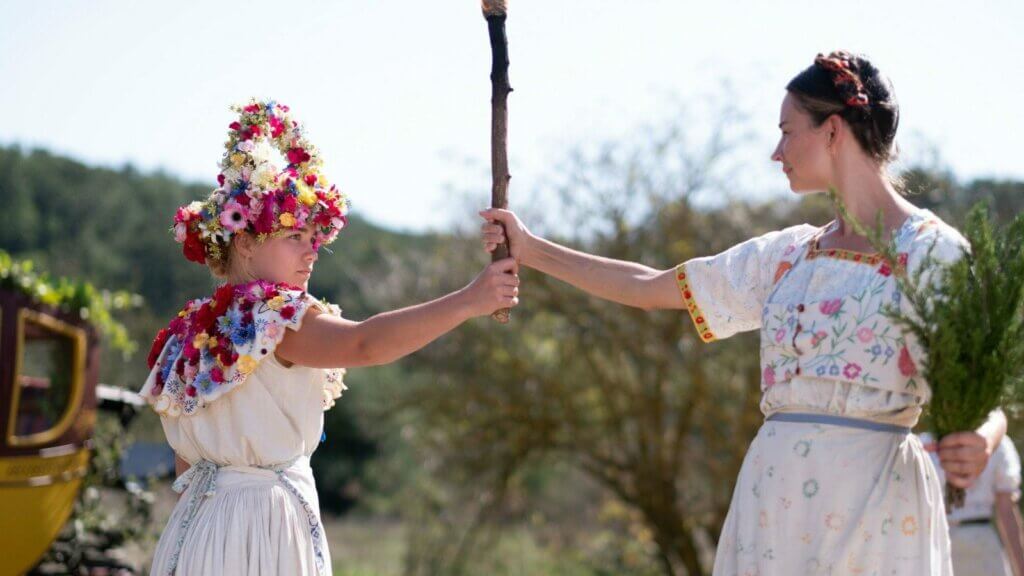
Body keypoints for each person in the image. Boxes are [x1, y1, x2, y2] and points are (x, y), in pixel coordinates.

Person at [480, 51, 1005, 574]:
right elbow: (650, 286)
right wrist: (531, 250)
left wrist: (983, 439)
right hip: (774, 504)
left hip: (877, 505)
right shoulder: (790, 256)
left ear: (832, 130)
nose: (776, 152)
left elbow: (984, 392)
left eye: (786, 130)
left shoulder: (932, 251)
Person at [140, 99, 519, 575]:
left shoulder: (188, 333)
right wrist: (470, 299)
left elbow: (184, 466)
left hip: (196, 530)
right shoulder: (272, 318)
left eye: (315, 240)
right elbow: (366, 343)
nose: (311, 253)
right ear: (245, 241)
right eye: (294, 237)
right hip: (263, 529)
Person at [921, 431, 1024, 576]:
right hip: (944, 541)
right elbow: (1006, 511)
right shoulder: (998, 443)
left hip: (955, 543)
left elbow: (1007, 512)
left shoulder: (997, 442)